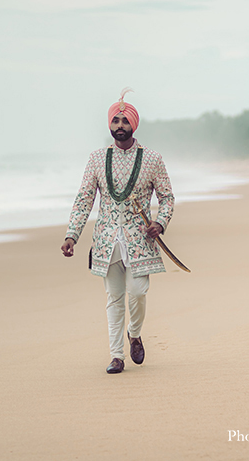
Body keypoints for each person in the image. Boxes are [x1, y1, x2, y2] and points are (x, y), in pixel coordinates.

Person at [61, 89, 175, 374]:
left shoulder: (152, 159)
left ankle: (134, 333)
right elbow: (84, 199)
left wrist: (160, 223)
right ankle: (116, 356)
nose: (120, 126)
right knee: (114, 298)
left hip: (140, 240)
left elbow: (167, 197)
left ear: (134, 124)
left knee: (137, 292)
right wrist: (72, 235)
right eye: (115, 120)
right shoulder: (97, 159)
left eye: (125, 121)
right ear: (109, 124)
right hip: (106, 241)